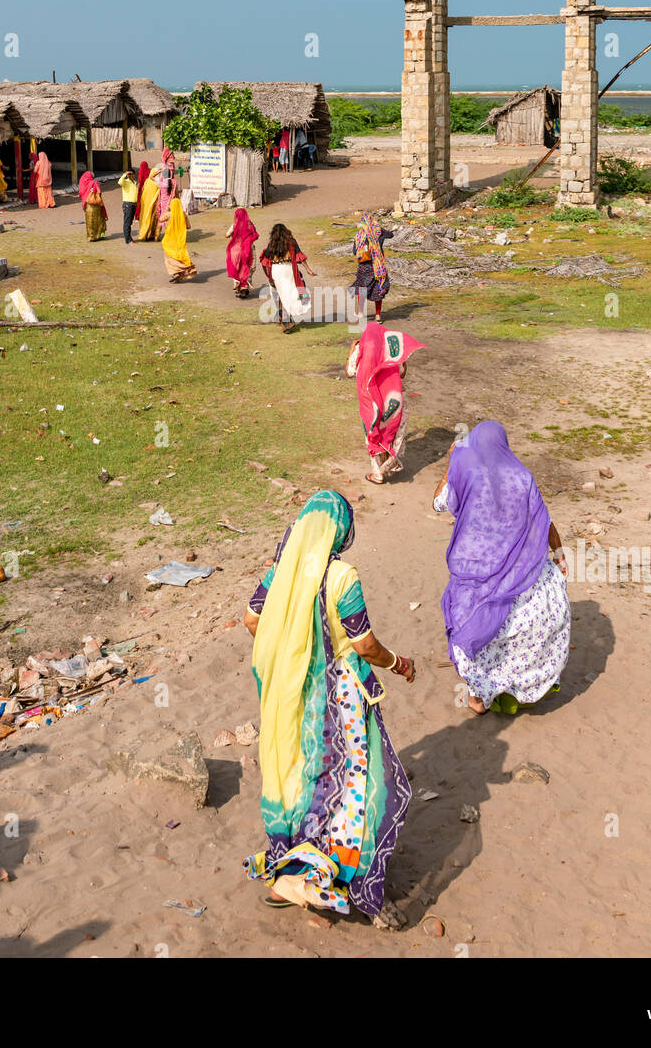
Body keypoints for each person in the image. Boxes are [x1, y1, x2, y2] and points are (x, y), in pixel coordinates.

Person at [243, 490, 414, 918]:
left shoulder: (280, 572)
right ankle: (323, 874)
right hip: (340, 699)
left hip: (290, 694)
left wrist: (289, 657)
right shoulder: (341, 576)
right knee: (352, 783)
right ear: (341, 531)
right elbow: (365, 644)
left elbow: (251, 619)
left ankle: (290, 872)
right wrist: (399, 664)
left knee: (300, 776)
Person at [433, 421, 570, 717]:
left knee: (477, 629)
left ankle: (478, 698)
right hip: (518, 571)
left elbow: (437, 503)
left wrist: (449, 465)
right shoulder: (521, 476)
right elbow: (543, 520)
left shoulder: (465, 474)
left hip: (475, 570)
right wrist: (559, 555)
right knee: (520, 628)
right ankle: (516, 690)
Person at [346, 324, 424, 483]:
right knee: (394, 433)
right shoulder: (390, 347)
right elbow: (402, 373)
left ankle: (378, 473)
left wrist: (352, 348)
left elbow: (349, 372)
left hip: (372, 404)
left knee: (373, 434)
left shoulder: (361, 348)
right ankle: (388, 465)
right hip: (393, 403)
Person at [259, 223, 314, 333]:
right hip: (289, 271)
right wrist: (308, 269)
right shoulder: (291, 242)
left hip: (277, 271)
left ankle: (284, 321)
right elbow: (300, 257)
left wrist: (270, 275)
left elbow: (266, 259)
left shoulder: (272, 244)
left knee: (281, 294)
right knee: (292, 292)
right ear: (286, 231)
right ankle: (286, 321)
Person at [351, 211, 392, 322]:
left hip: (364, 267)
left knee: (362, 289)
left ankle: (360, 313)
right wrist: (380, 228)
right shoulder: (379, 233)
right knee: (378, 289)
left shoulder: (359, 236)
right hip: (377, 267)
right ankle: (378, 315)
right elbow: (391, 235)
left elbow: (355, 252)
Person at [225, 207, 259, 298]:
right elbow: (256, 235)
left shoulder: (234, 225)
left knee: (237, 268)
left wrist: (234, 235)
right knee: (248, 267)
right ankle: (245, 287)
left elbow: (226, 235)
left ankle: (238, 288)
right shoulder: (250, 225)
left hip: (236, 250)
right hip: (248, 249)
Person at [161, 196, 196, 281]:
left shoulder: (168, 214)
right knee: (180, 255)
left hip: (169, 239)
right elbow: (188, 226)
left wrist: (166, 210)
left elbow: (160, 219)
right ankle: (184, 270)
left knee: (170, 257)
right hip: (180, 239)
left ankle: (176, 272)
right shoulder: (183, 214)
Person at [156, 147, 178, 237]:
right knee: (167, 221)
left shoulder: (161, 181)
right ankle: (167, 236)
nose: (172, 167)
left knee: (161, 219)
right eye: (170, 164)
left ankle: (157, 236)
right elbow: (175, 194)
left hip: (162, 203)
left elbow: (152, 177)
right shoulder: (173, 182)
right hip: (168, 203)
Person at [79, 170, 107, 241]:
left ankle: (91, 237)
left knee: (90, 221)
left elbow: (81, 193)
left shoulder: (83, 183)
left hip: (88, 205)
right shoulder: (94, 182)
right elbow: (99, 191)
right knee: (100, 220)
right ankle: (100, 235)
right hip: (96, 205)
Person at [136, 162, 159, 240]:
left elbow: (139, 185)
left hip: (144, 200)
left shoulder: (146, 181)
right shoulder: (156, 183)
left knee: (144, 217)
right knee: (152, 219)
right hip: (153, 204)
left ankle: (145, 234)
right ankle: (151, 235)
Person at [117, 168, 138, 243]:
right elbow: (119, 182)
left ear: (134, 175)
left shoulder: (135, 183)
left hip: (134, 204)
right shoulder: (125, 182)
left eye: (132, 174)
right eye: (129, 174)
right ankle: (128, 240)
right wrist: (125, 174)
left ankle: (129, 238)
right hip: (128, 204)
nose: (130, 175)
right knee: (127, 222)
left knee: (130, 222)